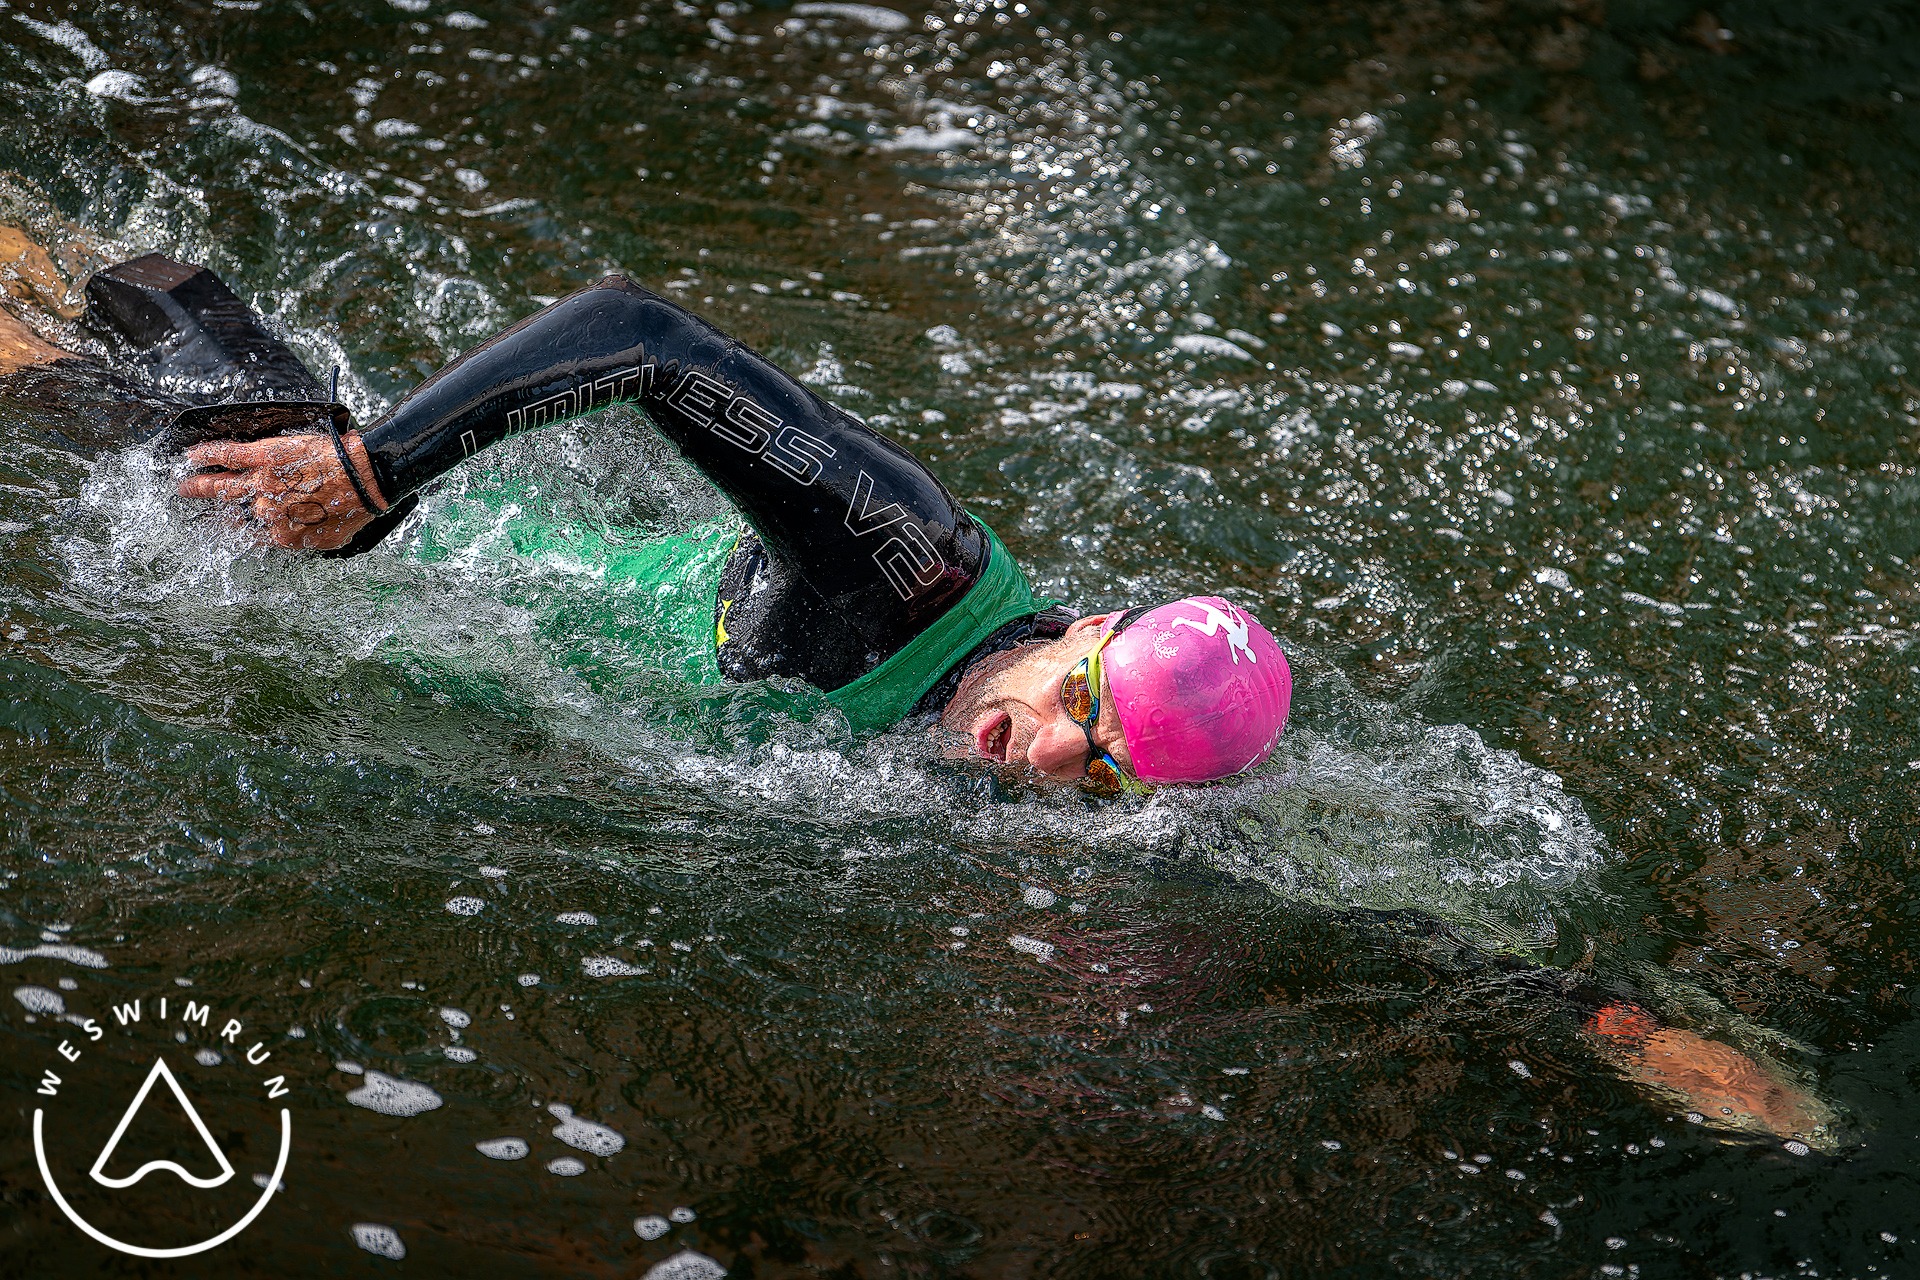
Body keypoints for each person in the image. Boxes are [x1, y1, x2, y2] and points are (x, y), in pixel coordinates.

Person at [0, 244, 1832, 1145]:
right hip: (397, 543)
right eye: (1078, 698)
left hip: (472, 601)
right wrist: (376, 471)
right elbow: (637, 331)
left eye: (1100, 777)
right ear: (1078, 625)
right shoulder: (911, 562)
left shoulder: (1075, 785)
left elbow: (1386, 912)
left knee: (135, 372)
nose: (1045, 755)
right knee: (175, 442)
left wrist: (1624, 1029)